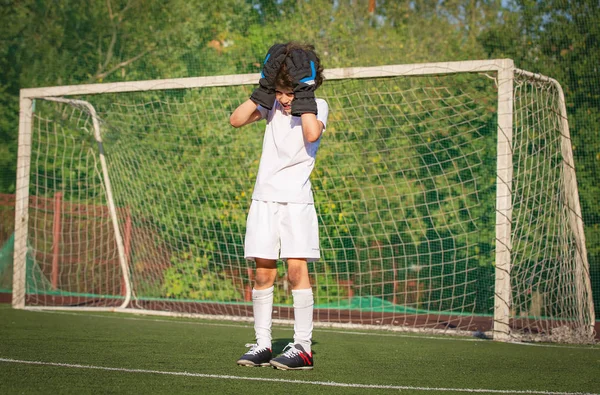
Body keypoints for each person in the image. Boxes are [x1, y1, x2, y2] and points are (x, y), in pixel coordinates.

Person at [229, 42, 327, 370]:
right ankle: (263, 343)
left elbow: (311, 134)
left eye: (290, 92)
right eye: (281, 91)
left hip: (296, 202)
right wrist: (264, 90)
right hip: (264, 200)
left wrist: (303, 97)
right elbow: (236, 119)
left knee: (296, 271)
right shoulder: (270, 106)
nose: (285, 99)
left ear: (303, 88)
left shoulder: (317, 107)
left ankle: (302, 346)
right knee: (263, 273)